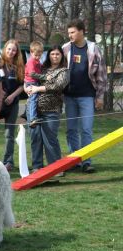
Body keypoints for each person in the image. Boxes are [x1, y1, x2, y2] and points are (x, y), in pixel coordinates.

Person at [63, 19, 107, 173]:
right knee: (71, 130)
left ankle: (87, 161)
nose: (70, 35)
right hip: (69, 97)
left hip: (87, 96)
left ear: (82, 31)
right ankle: (74, 161)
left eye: (73, 32)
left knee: (86, 129)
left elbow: (101, 74)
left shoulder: (93, 48)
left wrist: (100, 97)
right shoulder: (66, 49)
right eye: (69, 33)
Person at [24, 45, 69, 175]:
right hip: (34, 111)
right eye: (52, 54)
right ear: (48, 55)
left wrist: (37, 89)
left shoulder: (63, 71)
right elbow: (28, 76)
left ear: (61, 56)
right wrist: (26, 87)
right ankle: (37, 166)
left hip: (51, 110)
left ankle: (56, 168)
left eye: (57, 54)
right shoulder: (41, 68)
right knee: (35, 138)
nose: (55, 56)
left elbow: (57, 86)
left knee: (50, 139)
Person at [0, 39, 25, 171]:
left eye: (14, 50)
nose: (11, 52)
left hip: (12, 104)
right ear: (4, 49)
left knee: (9, 134)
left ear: (16, 52)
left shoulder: (19, 65)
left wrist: (13, 96)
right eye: (9, 49)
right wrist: (0, 98)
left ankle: (8, 161)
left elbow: (22, 85)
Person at [24, 41, 44, 128]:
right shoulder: (31, 62)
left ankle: (28, 114)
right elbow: (32, 73)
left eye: (39, 55)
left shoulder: (38, 62)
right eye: (36, 55)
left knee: (35, 99)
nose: (37, 57)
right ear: (31, 52)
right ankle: (32, 119)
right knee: (33, 99)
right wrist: (44, 77)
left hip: (36, 82)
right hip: (31, 82)